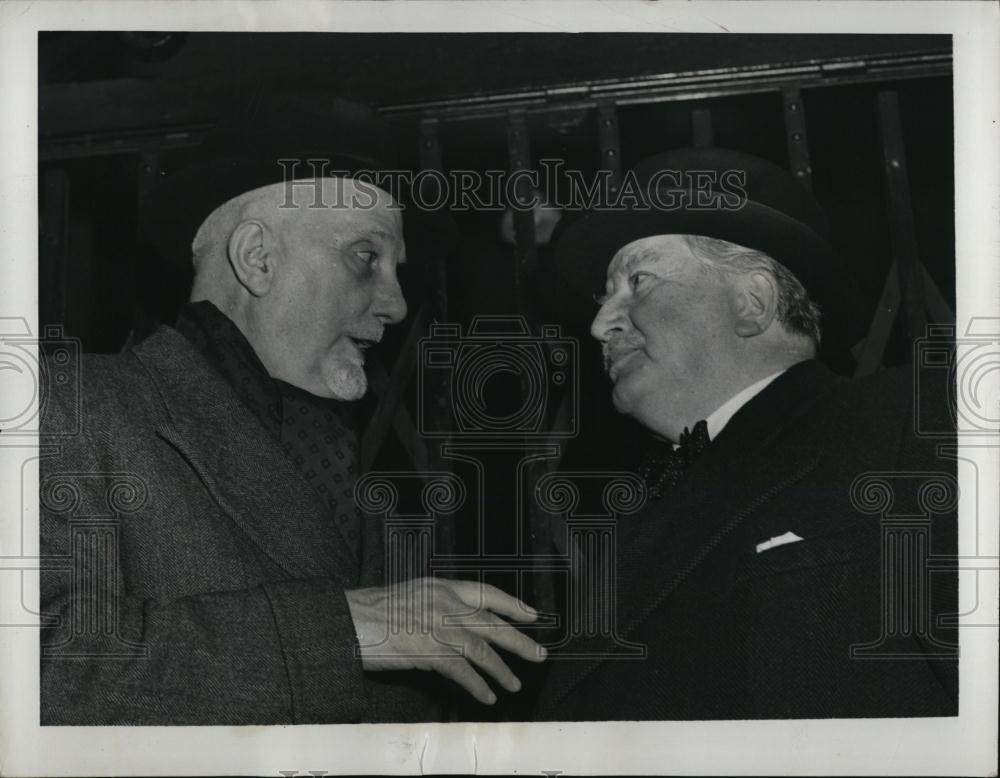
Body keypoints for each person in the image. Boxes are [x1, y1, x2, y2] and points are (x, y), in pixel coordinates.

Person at [39, 97, 545, 725]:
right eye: (366, 257)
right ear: (258, 258)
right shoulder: (70, 402)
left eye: (396, 270)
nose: (394, 304)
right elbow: (38, 669)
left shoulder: (352, 464)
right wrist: (341, 632)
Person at [536, 146, 957, 720]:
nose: (599, 322)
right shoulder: (628, 518)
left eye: (638, 281)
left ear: (752, 303)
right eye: (603, 296)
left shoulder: (917, 420)